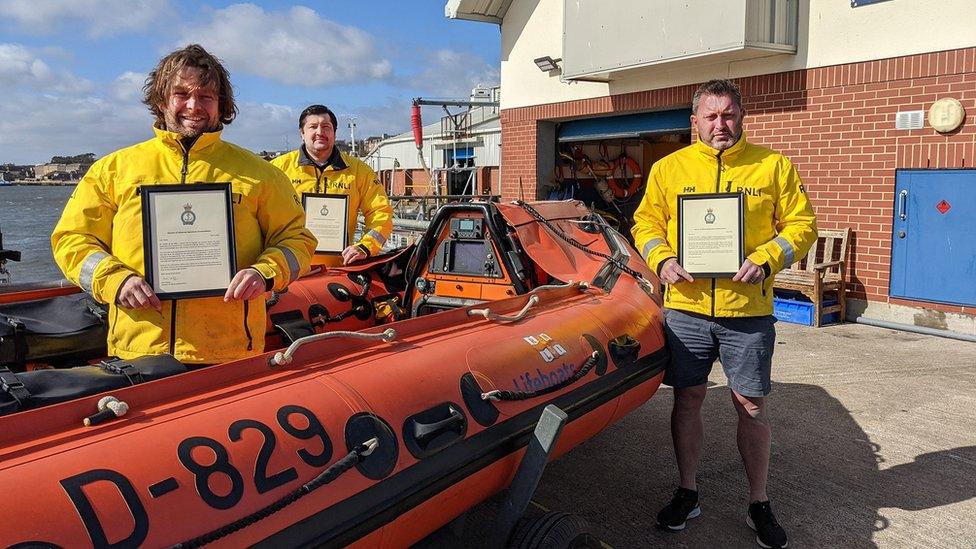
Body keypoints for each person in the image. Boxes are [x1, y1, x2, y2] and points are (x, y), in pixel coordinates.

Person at [632, 79, 817, 549]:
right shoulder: (668, 168)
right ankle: (687, 491)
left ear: (742, 116)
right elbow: (644, 222)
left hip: (747, 313)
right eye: (711, 116)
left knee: (751, 406)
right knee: (688, 399)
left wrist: (769, 256)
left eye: (729, 115)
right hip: (687, 312)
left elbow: (803, 224)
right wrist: (661, 259)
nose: (721, 124)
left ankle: (759, 502)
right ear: (694, 122)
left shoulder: (773, 166)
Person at [52, 44, 316, 365]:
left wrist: (264, 273)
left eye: (206, 96)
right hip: (139, 346)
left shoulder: (261, 174)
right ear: (162, 100)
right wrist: (115, 280)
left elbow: (297, 241)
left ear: (222, 105)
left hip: (228, 347)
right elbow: (72, 241)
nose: (194, 105)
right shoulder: (113, 170)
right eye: (181, 94)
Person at [271, 105, 393, 267]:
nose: (320, 132)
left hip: (337, 269)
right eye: (313, 127)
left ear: (334, 133)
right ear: (302, 133)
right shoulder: (279, 169)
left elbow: (380, 212)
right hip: (289, 269)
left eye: (326, 127)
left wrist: (366, 247)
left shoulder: (358, 171)